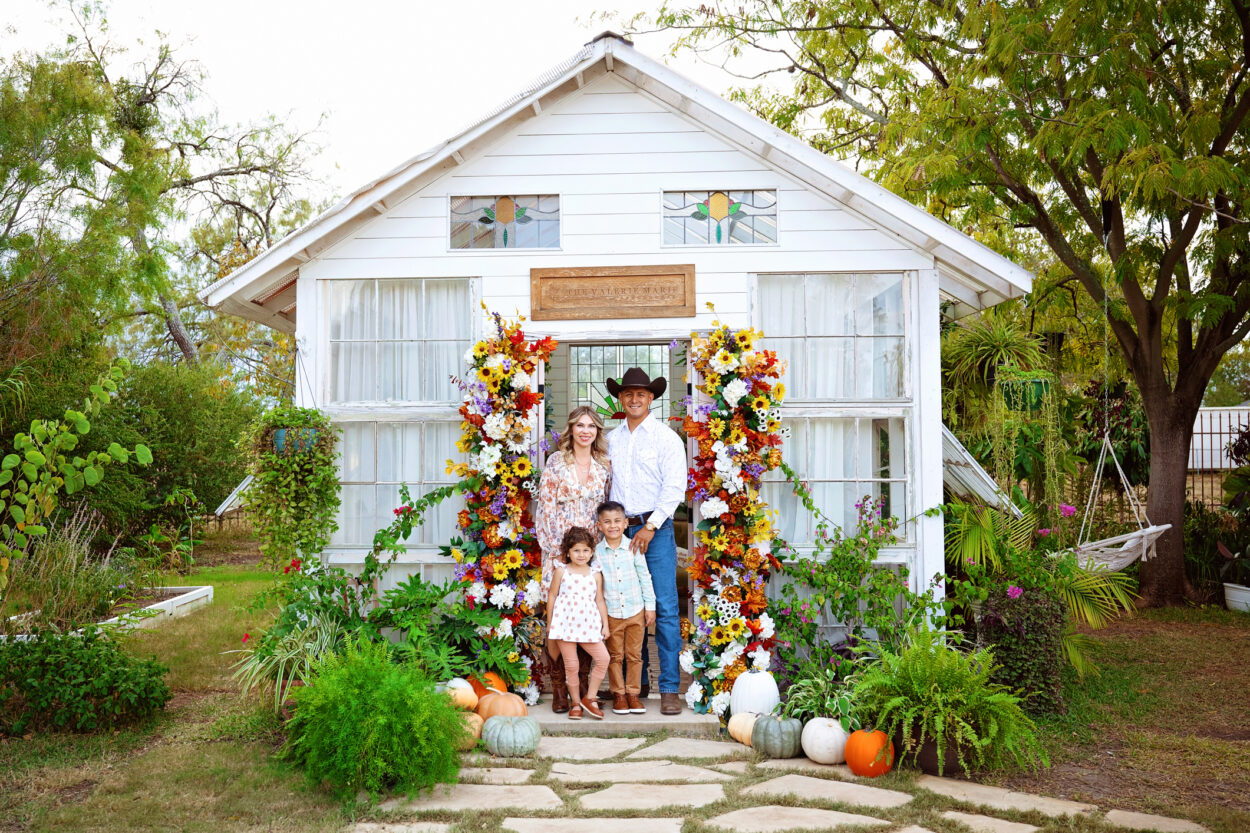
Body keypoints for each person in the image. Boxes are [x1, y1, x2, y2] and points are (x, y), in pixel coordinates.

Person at [605, 367, 688, 716]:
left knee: (666, 608)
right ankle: (630, 687)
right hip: (618, 532)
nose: (634, 399)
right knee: (620, 607)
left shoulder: (666, 438)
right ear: (621, 399)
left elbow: (675, 488)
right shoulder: (610, 438)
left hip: (656, 530)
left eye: (641, 394)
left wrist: (650, 527)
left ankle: (668, 687)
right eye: (628, 394)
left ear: (651, 398)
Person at [535, 406, 611, 712]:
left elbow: (604, 510)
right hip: (559, 554)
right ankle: (559, 689)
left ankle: (579, 688)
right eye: (580, 425)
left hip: (588, 556)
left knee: (585, 617)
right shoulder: (556, 462)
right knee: (556, 619)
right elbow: (545, 508)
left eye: (591, 426)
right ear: (571, 429)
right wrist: (557, 553)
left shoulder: (603, 465)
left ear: (597, 432)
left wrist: (595, 552)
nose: (585, 431)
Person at [594, 500, 655, 714]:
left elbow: (644, 577)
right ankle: (618, 695)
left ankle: (633, 694)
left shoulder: (633, 548)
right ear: (599, 526)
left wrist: (650, 606)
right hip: (611, 613)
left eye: (617, 521)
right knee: (614, 656)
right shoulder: (596, 553)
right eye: (607, 522)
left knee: (635, 655)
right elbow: (595, 586)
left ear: (626, 523)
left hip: (635, 610)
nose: (613, 526)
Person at [545, 526, 610, 720]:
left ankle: (589, 698)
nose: (581, 555)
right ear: (568, 552)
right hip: (565, 625)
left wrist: (605, 625)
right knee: (571, 666)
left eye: (585, 550)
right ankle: (575, 703)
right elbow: (552, 595)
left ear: (591, 552)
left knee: (603, 658)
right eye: (576, 550)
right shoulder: (561, 571)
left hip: (588, 625)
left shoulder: (595, 573)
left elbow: (599, 600)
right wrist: (550, 623)